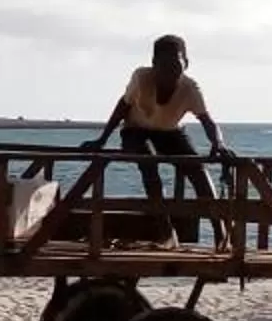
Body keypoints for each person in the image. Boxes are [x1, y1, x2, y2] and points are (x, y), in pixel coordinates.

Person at [85, 34, 229, 244]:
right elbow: (123, 106)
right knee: (148, 162)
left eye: (176, 66)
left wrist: (219, 144)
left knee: (197, 169)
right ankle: (166, 230)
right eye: (164, 66)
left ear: (186, 64)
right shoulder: (141, 78)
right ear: (154, 64)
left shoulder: (190, 88)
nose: (170, 72)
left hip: (170, 133)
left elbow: (207, 120)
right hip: (136, 131)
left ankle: (220, 233)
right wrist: (102, 139)